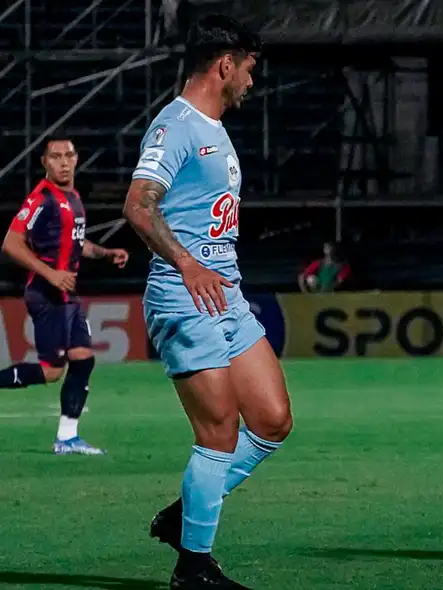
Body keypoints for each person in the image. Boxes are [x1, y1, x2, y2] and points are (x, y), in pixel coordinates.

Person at [123, 14, 292, 590]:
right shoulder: (176, 127)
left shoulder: (213, 129)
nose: (250, 81)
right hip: (184, 293)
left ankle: (184, 514)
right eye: (248, 69)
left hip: (226, 295)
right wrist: (188, 263)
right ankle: (193, 569)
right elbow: (139, 206)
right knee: (218, 433)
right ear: (225, 64)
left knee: (271, 420)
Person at [0, 131, 129, 455]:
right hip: (46, 293)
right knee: (51, 371)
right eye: (55, 157)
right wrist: (51, 275)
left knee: (82, 360)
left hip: (65, 296)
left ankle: (67, 438)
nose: (63, 162)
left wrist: (105, 253)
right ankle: (66, 437)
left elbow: (76, 243)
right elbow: (10, 243)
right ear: (44, 163)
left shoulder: (72, 198)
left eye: (68, 156)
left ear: (76, 160)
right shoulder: (41, 198)